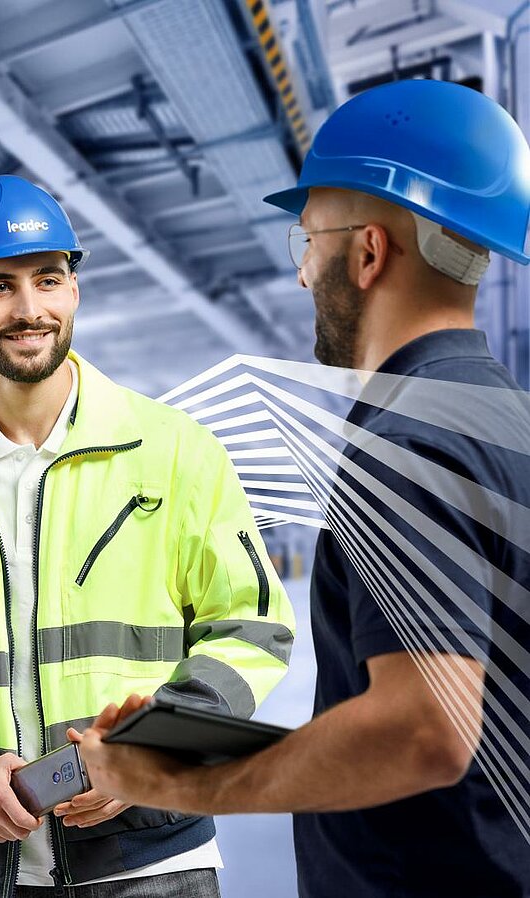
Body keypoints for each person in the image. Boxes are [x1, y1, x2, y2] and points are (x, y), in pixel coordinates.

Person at [76, 79, 530, 897]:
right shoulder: (508, 425)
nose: (300, 276)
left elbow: (424, 730)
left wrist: (170, 785)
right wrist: (200, 741)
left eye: (307, 242)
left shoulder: (407, 445)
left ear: (367, 251)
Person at [0, 175, 294, 897]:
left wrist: (150, 755)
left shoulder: (174, 453)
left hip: (154, 861)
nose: (28, 308)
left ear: (74, 291)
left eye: (48, 279)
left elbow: (252, 630)